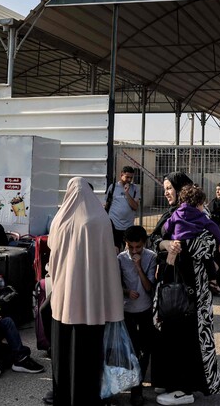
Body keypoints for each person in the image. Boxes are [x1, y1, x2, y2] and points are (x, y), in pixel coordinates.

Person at [48, 177, 124, 406]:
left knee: (63, 349)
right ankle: (89, 397)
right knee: (90, 351)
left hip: (64, 299)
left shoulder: (59, 219)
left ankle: (63, 396)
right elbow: (108, 259)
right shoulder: (100, 219)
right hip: (93, 301)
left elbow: (52, 255)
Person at [150, 171, 220, 406]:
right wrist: (166, 243)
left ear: (182, 190)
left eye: (170, 187)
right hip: (171, 287)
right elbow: (153, 239)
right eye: (165, 188)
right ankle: (171, 382)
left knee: (187, 337)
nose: (166, 192)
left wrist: (182, 246)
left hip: (192, 289)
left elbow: (209, 244)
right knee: (170, 334)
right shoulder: (172, 214)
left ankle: (185, 388)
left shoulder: (200, 212)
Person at [118, 226, 157, 406]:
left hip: (145, 309)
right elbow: (116, 285)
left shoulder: (151, 257)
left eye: (138, 247)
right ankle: (134, 388)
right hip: (127, 310)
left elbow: (149, 287)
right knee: (131, 350)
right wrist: (126, 292)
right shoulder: (120, 259)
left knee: (144, 350)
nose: (134, 251)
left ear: (144, 244)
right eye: (130, 247)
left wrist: (139, 267)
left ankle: (138, 386)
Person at [164, 184, 220, 294]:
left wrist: (171, 235)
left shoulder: (176, 213)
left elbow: (167, 227)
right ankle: (213, 280)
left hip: (180, 245)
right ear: (198, 204)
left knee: (183, 267)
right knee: (208, 259)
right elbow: (213, 227)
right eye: (202, 204)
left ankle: (183, 287)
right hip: (195, 244)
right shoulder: (200, 215)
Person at [105, 166, 140, 252]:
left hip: (128, 225)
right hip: (114, 224)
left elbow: (135, 207)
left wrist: (127, 193)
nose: (129, 180)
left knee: (128, 250)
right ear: (121, 175)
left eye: (131, 178)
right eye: (127, 177)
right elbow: (106, 204)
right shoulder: (112, 187)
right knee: (114, 249)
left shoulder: (135, 188)